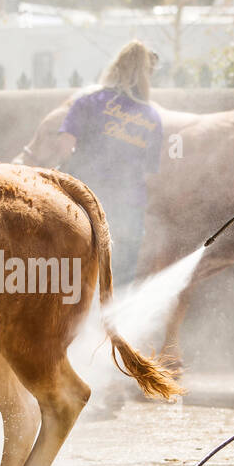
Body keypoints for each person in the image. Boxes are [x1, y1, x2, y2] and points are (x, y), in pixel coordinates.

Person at [56, 40, 164, 286]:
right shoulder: (151, 116)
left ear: (116, 67)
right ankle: (111, 322)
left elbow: (64, 148)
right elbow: (150, 172)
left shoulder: (87, 102)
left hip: (85, 203)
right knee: (120, 278)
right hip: (129, 209)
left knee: (77, 275)